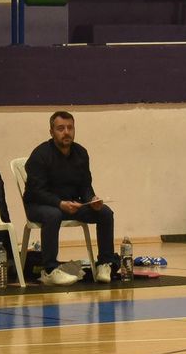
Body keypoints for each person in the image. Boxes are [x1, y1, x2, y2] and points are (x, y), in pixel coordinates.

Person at [24, 110, 120, 287]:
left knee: (105, 213)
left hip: (71, 204)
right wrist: (60, 204)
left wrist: (92, 199)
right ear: (51, 132)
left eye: (70, 128)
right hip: (40, 205)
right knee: (53, 215)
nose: (66, 132)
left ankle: (105, 264)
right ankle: (50, 270)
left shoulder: (81, 153)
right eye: (61, 128)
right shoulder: (40, 154)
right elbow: (36, 191)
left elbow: (85, 185)